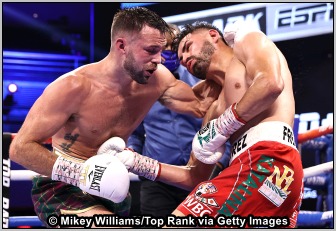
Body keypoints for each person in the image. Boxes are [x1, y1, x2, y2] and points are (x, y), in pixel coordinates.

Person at [8, 8, 220, 228]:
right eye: (151, 50)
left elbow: (201, 106)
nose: (159, 60)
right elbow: (20, 149)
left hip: (115, 191)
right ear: (121, 46)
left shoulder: (157, 81)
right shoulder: (73, 87)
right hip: (63, 186)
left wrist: (229, 59)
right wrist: (82, 174)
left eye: (160, 51)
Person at [112, 20, 304, 228]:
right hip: (260, 170)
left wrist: (224, 125)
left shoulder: (245, 41)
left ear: (213, 35)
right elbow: (193, 176)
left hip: (269, 159)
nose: (185, 58)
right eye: (181, 59)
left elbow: (270, 84)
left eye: (187, 47)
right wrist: (135, 162)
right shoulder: (215, 108)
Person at [127, 23, 202, 217]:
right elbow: (133, 131)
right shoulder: (139, 86)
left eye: (172, 46)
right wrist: (132, 152)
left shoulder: (202, 80)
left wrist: (220, 163)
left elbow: (220, 124)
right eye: (162, 46)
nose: (167, 51)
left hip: (201, 175)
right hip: (157, 179)